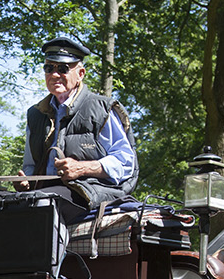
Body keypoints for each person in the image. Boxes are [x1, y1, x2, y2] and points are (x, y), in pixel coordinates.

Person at [16, 36, 138, 219]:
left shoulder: (102, 109)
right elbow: (30, 166)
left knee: (44, 204)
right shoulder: (35, 115)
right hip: (43, 192)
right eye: (49, 68)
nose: (54, 75)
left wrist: (82, 168)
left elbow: (126, 163)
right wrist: (25, 180)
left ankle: (52, 248)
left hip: (89, 191)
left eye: (63, 69)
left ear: (80, 73)